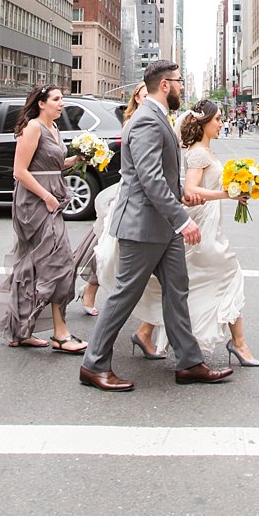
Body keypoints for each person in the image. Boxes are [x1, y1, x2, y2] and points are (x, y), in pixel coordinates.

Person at [79, 61, 233, 392]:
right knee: (124, 295)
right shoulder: (147, 120)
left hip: (161, 226)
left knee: (177, 291)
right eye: (178, 82)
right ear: (165, 85)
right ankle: (93, 365)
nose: (182, 88)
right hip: (143, 226)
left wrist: (184, 195)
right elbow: (148, 179)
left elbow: (162, 173)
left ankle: (189, 363)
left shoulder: (159, 117)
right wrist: (181, 220)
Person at [131, 100, 259, 366]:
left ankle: (144, 332)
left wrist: (237, 185)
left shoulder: (206, 150)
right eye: (218, 120)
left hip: (211, 221)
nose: (222, 123)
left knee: (186, 281)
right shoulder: (198, 154)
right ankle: (239, 344)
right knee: (227, 272)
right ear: (203, 123)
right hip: (199, 222)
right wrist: (228, 193)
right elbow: (190, 191)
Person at [0, 85, 89, 353]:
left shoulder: (54, 129)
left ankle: (21, 330)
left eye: (62, 99)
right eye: (56, 99)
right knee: (60, 261)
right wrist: (45, 195)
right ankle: (60, 332)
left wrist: (79, 157)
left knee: (32, 266)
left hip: (51, 198)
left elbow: (53, 164)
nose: (61, 104)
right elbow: (19, 171)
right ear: (42, 103)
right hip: (33, 203)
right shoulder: (33, 127)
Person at [76, 82, 149, 317]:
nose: (148, 99)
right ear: (136, 98)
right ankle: (90, 289)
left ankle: (144, 308)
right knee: (110, 246)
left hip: (142, 194)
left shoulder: (155, 118)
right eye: (144, 95)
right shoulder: (135, 122)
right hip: (130, 194)